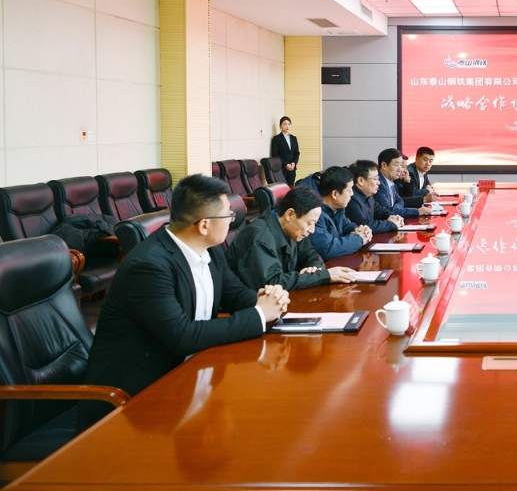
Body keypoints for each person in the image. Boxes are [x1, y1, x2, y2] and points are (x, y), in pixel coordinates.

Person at [80, 174, 289, 429]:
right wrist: (259, 315)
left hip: (192, 376)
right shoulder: (148, 266)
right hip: (136, 401)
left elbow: (234, 294)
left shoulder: (209, 248)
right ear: (204, 225)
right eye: (228, 215)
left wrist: (269, 300)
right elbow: (182, 336)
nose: (232, 220)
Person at [228, 185, 358, 290]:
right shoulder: (260, 237)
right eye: (309, 223)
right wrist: (323, 276)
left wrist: (313, 267)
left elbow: (311, 254)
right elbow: (272, 282)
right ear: (290, 214)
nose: (312, 230)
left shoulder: (291, 229)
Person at [309, 166, 372, 259]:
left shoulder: (337, 208)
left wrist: (360, 230)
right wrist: (359, 239)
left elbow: (347, 226)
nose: (352, 194)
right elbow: (326, 249)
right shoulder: (315, 214)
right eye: (349, 190)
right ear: (335, 194)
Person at [347, 159, 403, 233]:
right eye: (375, 179)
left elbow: (381, 212)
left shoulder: (369, 196)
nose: (379, 183)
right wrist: (391, 224)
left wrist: (394, 217)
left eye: (378, 179)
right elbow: (363, 224)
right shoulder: (350, 199)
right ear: (361, 180)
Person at [377, 148, 432, 218]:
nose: (400, 169)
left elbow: (400, 201)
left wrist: (395, 209)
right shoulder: (378, 184)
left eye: (401, 165)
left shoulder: (390, 182)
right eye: (397, 165)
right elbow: (388, 211)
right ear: (384, 165)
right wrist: (417, 212)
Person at [271, 115, 300, 186]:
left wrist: (294, 163)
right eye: (284, 124)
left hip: (292, 169)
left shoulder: (294, 138)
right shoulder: (276, 139)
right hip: (282, 169)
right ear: (280, 126)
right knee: (283, 188)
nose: (287, 126)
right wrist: (286, 164)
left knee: (291, 188)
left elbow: (297, 153)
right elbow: (275, 154)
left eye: (289, 124)